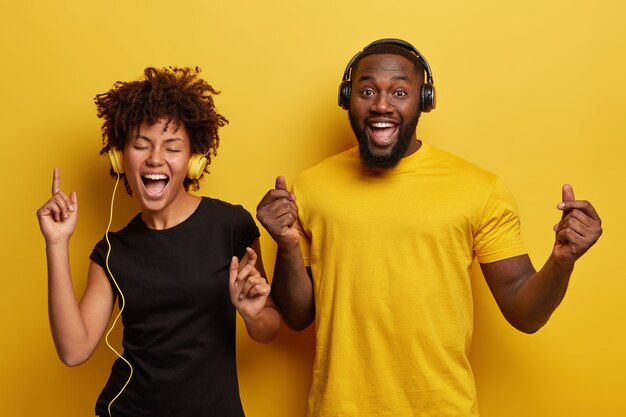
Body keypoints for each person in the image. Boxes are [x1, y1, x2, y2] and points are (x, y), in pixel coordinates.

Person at [256, 39, 602, 416]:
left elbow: (525, 314)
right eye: (367, 90)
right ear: (347, 99)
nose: (382, 105)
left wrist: (562, 260)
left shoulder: (478, 188)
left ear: (423, 99)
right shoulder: (311, 186)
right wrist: (287, 244)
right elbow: (296, 315)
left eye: (400, 91)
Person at [36, 67, 281, 417]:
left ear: (193, 161)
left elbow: (269, 328)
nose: (154, 158)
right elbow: (74, 351)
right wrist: (56, 244)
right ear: (121, 158)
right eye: (141, 145)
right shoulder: (112, 251)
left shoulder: (232, 226)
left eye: (172, 147)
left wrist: (252, 314)